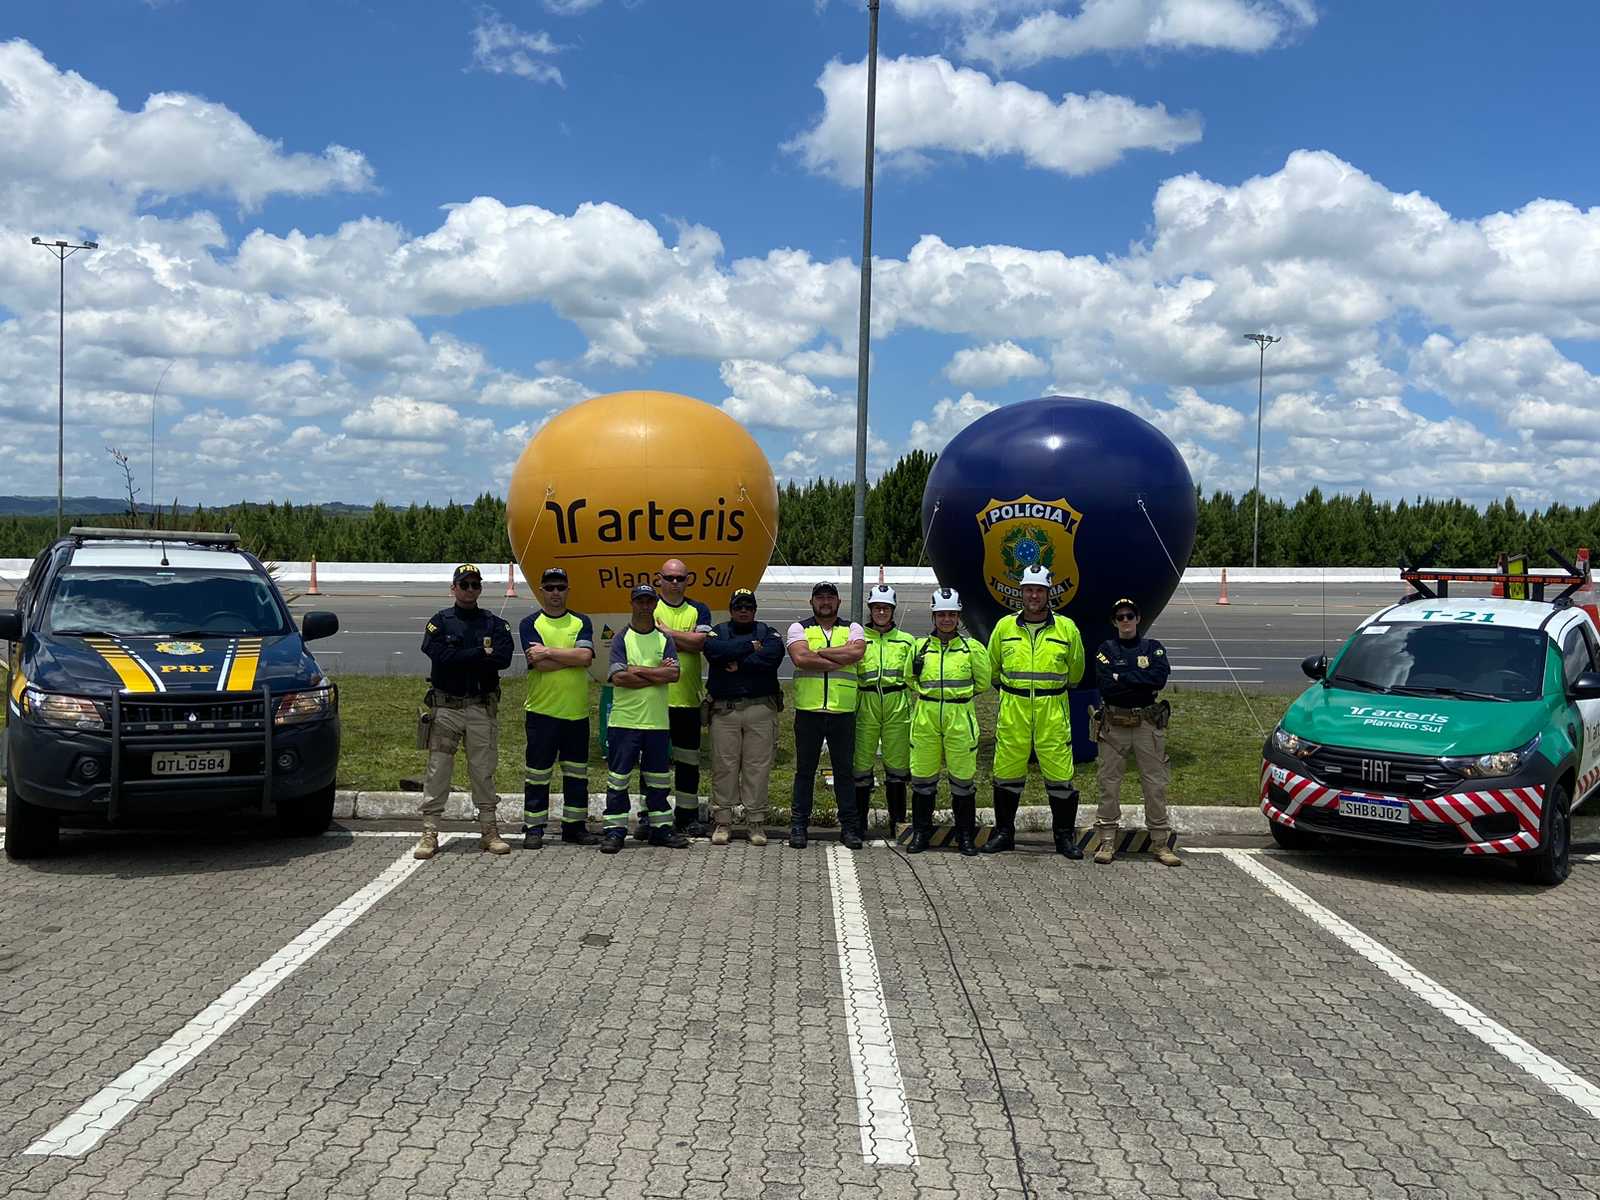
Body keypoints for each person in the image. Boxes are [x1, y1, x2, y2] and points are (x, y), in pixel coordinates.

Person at [415, 564, 516, 861]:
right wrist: (476, 655)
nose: (470, 589)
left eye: (475, 584)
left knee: (483, 771)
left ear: (480, 589)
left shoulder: (494, 623)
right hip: (446, 709)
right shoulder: (440, 622)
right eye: (464, 584)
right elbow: (437, 655)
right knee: (438, 771)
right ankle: (430, 831)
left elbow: (503, 658)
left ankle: (489, 831)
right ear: (453, 588)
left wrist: (462, 659)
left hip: (481, 708)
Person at [984, 565, 1086, 859]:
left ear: (1048, 593)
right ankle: (1004, 833)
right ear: (1021, 592)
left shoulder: (1066, 628)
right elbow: (993, 668)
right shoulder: (1004, 627)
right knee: (1006, 773)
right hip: (1013, 710)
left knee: (1059, 775)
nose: (1033, 595)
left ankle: (1064, 839)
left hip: (1052, 711)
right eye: (1029, 589)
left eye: (1039, 590)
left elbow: (1076, 671)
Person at [1093, 597, 1181, 866]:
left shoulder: (1152, 648)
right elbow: (1107, 687)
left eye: (1130, 615)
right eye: (1120, 617)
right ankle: (1107, 840)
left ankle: (1160, 843)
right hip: (1114, 724)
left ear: (1138, 618)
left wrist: (1124, 677)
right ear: (1114, 621)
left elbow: (1159, 679)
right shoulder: (1106, 650)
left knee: (1154, 784)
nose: (1125, 621)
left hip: (1146, 724)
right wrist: (1135, 682)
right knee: (1109, 783)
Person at [602, 583, 689, 853]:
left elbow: (673, 675)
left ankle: (660, 829)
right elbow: (619, 678)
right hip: (624, 722)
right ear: (632, 603)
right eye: (640, 601)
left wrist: (637, 670)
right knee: (618, 780)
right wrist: (655, 674)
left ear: (655, 604)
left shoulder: (665, 639)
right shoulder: (621, 638)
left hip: (656, 723)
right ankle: (615, 831)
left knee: (658, 781)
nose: (645, 606)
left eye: (649, 601)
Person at [907, 588, 992, 855]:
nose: (946, 619)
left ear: (958, 617)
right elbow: (910, 679)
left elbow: (983, 682)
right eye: (941, 614)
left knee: (963, 781)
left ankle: (964, 835)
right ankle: (921, 833)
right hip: (926, 717)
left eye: (951, 614)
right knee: (922, 779)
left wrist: (957, 699)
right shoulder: (919, 648)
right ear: (933, 617)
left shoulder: (972, 648)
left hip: (959, 718)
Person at [518, 567, 597, 850]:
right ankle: (534, 826)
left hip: (576, 714)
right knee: (538, 774)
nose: (555, 593)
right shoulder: (530, 624)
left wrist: (549, 652)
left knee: (577, 775)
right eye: (549, 587)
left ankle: (574, 826)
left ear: (568, 590)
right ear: (541, 590)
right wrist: (571, 657)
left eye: (560, 587)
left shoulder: (581, 621)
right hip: (542, 712)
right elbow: (538, 664)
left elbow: (586, 657)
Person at [786, 581, 866, 849]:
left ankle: (850, 828)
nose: (825, 601)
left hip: (842, 712)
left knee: (845, 773)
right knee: (804, 772)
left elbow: (857, 652)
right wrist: (839, 658)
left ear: (839, 602)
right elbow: (800, 659)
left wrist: (818, 652)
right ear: (811, 602)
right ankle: (799, 826)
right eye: (820, 597)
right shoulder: (799, 628)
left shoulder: (853, 628)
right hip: (809, 711)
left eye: (830, 597)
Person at [703, 588, 784, 846]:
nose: (743, 610)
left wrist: (739, 662)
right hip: (725, 710)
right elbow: (715, 652)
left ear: (755, 609)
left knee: (757, 767)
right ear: (731, 609)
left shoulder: (767, 632)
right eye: (739, 606)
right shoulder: (718, 631)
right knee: (724, 766)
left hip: (760, 708)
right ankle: (723, 822)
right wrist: (750, 648)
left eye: (748, 606)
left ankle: (756, 822)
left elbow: (772, 657)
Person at [853, 583, 917, 840]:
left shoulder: (907, 641)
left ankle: (898, 822)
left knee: (897, 765)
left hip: (896, 703)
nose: (881, 612)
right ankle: (858, 823)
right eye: (877, 608)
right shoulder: (858, 639)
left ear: (893, 610)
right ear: (870, 609)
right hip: (866, 703)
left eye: (886, 608)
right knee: (861, 764)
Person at [655, 558, 714, 837]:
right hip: (655, 700)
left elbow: (700, 642)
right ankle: (652, 817)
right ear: (660, 579)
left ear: (688, 580)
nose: (675, 583)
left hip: (688, 700)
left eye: (681, 578)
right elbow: (646, 641)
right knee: (654, 765)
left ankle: (687, 817)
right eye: (670, 578)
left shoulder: (699, 609)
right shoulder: (649, 605)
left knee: (689, 764)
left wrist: (666, 633)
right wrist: (684, 639)